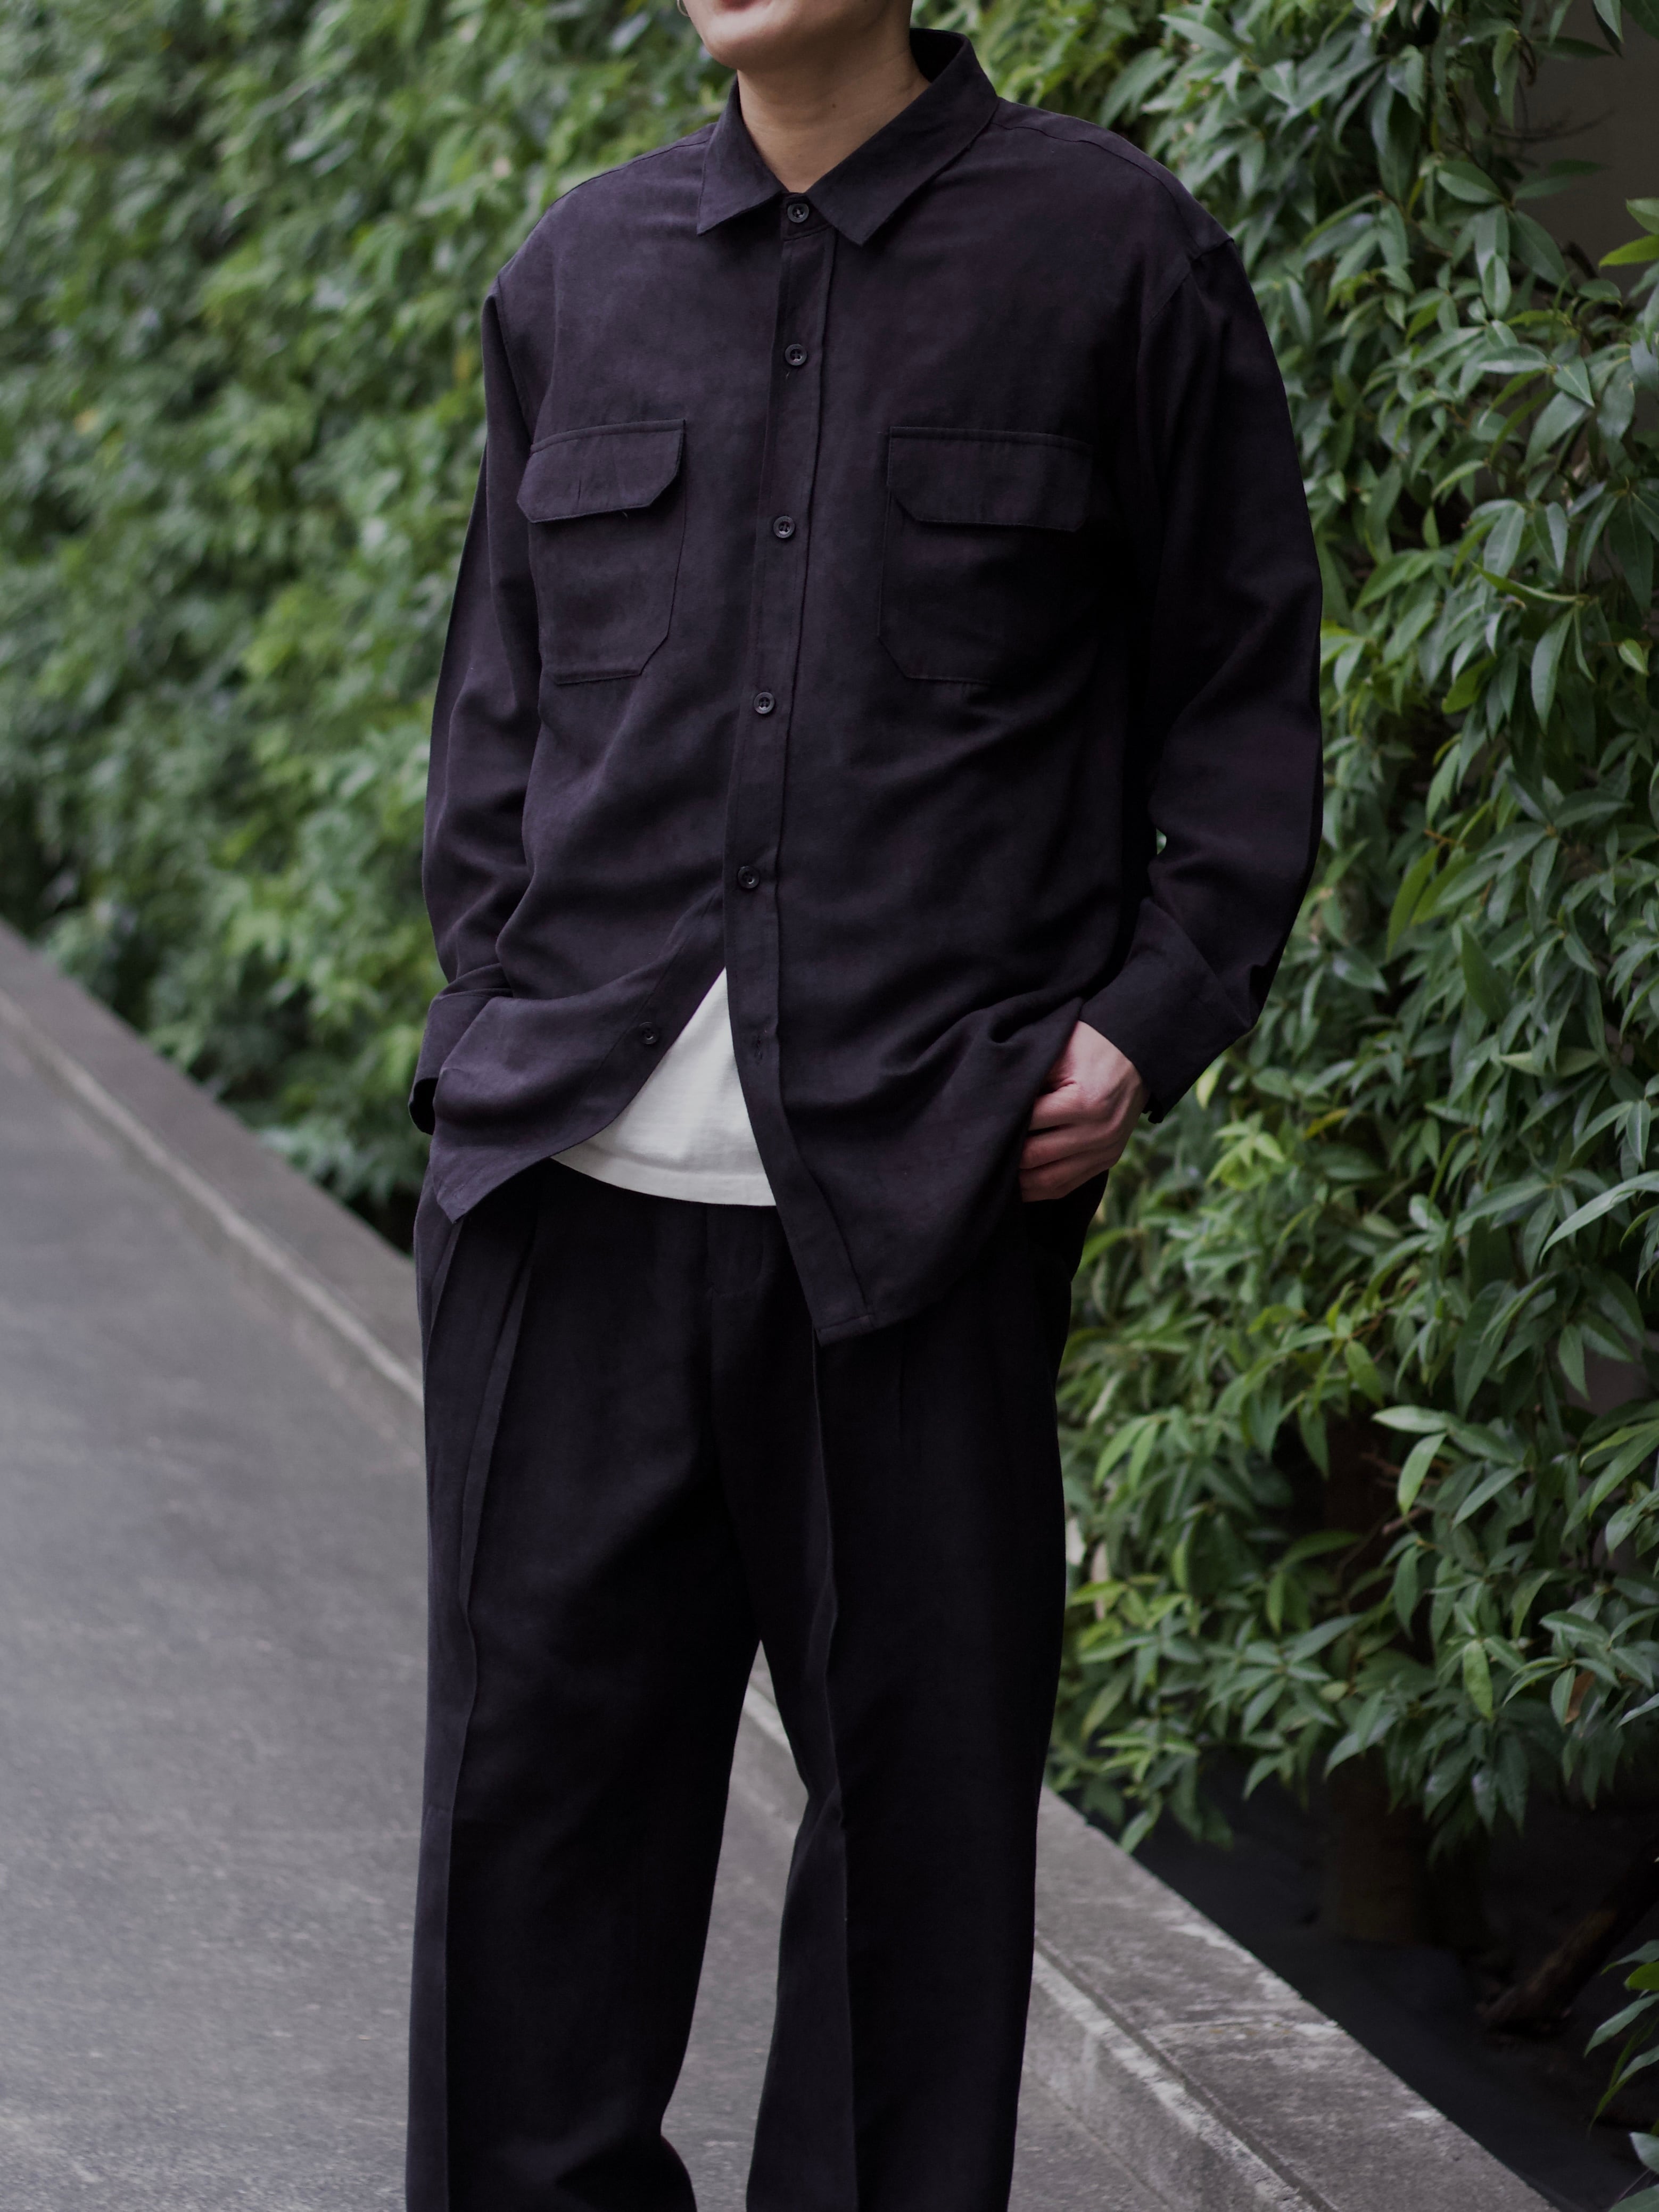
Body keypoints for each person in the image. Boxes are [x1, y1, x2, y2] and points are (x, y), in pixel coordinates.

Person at [404, 0, 1322, 2197]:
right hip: (567, 1202)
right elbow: (493, 721)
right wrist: (489, 1025)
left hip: (924, 1204)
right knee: (529, 1866)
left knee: (918, 1883)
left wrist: (1146, 1020)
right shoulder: (580, 272)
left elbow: (1242, 698)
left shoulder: (1114, 257)